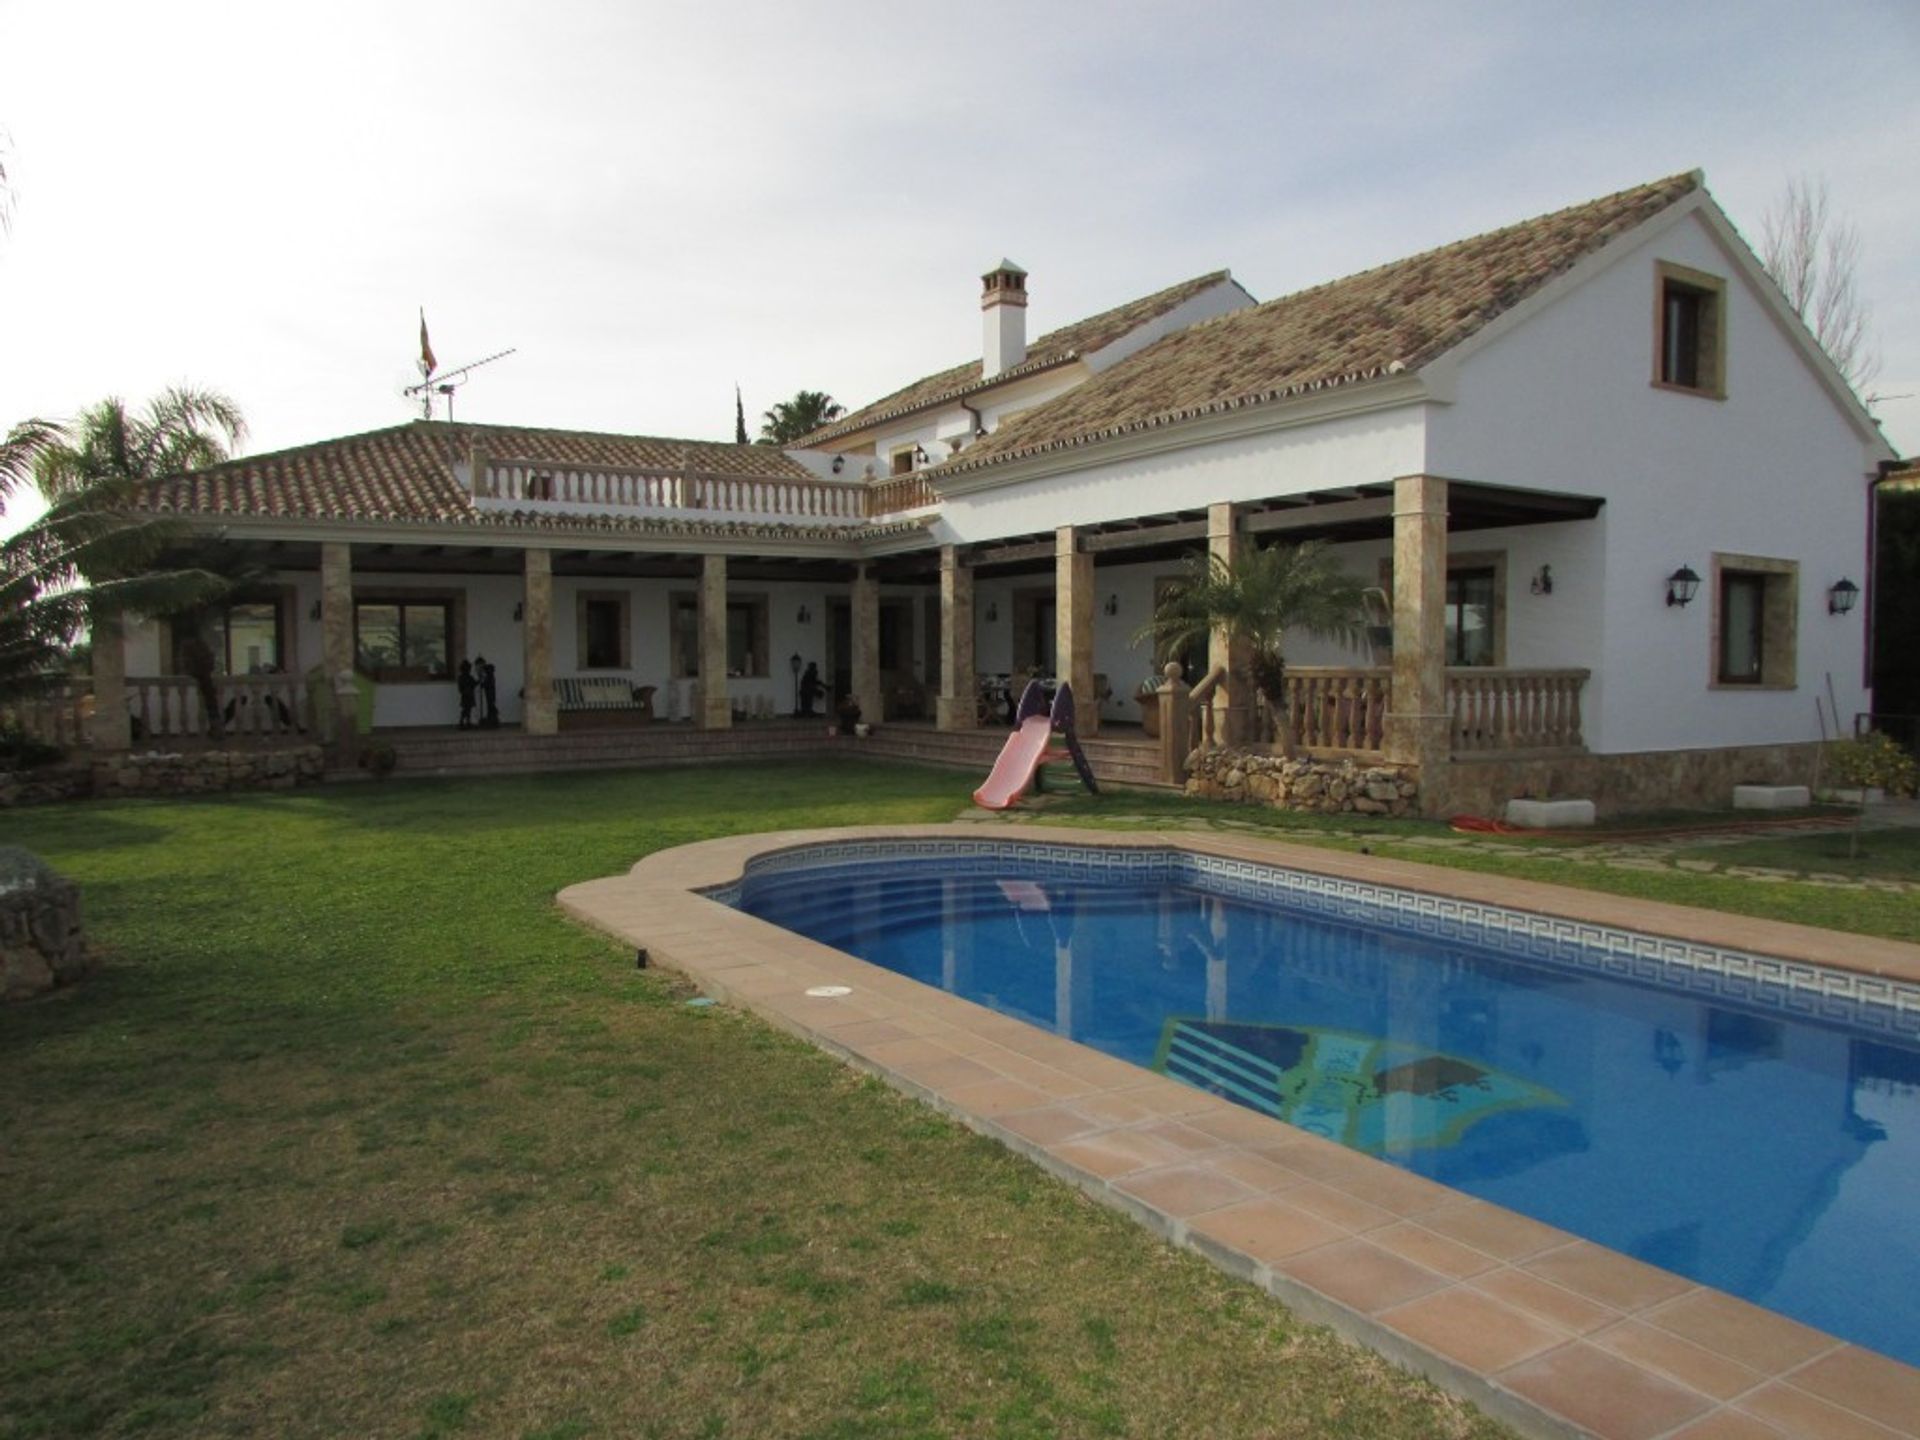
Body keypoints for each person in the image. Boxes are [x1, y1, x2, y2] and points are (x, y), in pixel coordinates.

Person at [456, 659, 477, 730]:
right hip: (466, 695)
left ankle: (467, 722)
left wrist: (479, 680)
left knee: (468, 709)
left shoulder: (469, 677)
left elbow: (474, 684)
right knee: (466, 709)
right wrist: (465, 691)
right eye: (467, 668)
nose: (468, 670)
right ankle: (462, 722)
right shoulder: (462, 677)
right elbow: (461, 688)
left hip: (469, 695)